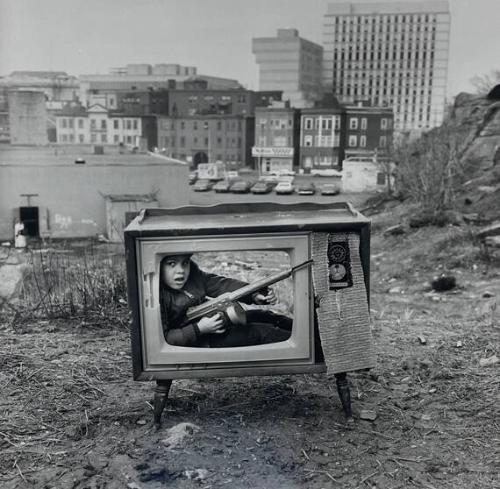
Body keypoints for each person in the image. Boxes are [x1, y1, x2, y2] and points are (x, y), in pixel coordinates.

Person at [159, 254, 292, 347]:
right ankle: (310, 348)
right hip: (200, 341)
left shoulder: (193, 276)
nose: (180, 271)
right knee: (260, 332)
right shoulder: (156, 296)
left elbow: (221, 284)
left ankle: (308, 334)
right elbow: (165, 339)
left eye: (185, 263)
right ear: (158, 265)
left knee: (263, 315)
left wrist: (254, 294)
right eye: (171, 264)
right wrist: (199, 329)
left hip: (215, 324)